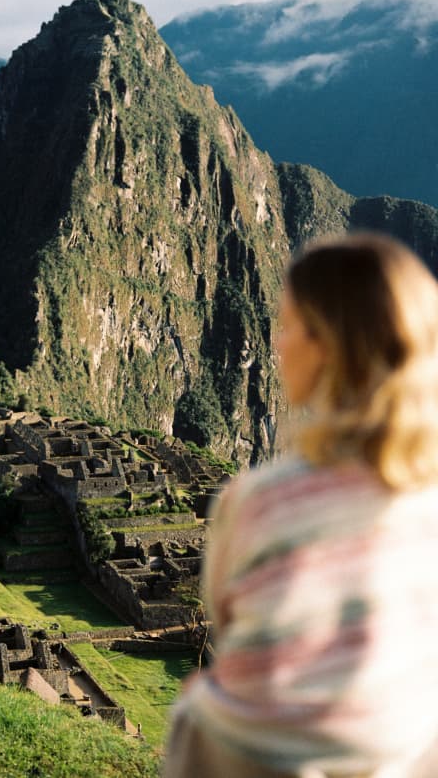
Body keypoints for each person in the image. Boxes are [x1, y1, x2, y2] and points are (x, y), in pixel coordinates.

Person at [163, 232, 438, 778]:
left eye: (291, 327)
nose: (278, 343)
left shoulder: (260, 500)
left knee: (197, 706)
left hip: (256, 758)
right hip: (396, 753)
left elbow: (226, 616)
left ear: (326, 346)